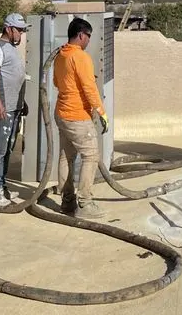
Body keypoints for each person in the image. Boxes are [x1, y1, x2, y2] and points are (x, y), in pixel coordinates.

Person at [53, 17, 109, 218]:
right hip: (77, 116)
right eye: (88, 36)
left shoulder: (60, 55)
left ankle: (67, 202)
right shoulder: (80, 57)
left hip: (62, 113)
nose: (89, 40)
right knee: (91, 156)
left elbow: (56, 82)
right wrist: (101, 112)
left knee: (66, 157)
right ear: (81, 35)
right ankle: (85, 204)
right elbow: (89, 87)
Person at [0, 12, 29, 206]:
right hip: (2, 108)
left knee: (7, 148)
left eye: (22, 30)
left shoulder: (11, 48)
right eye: (18, 30)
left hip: (13, 106)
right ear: (8, 29)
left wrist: (21, 102)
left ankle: (1, 187)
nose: (21, 34)